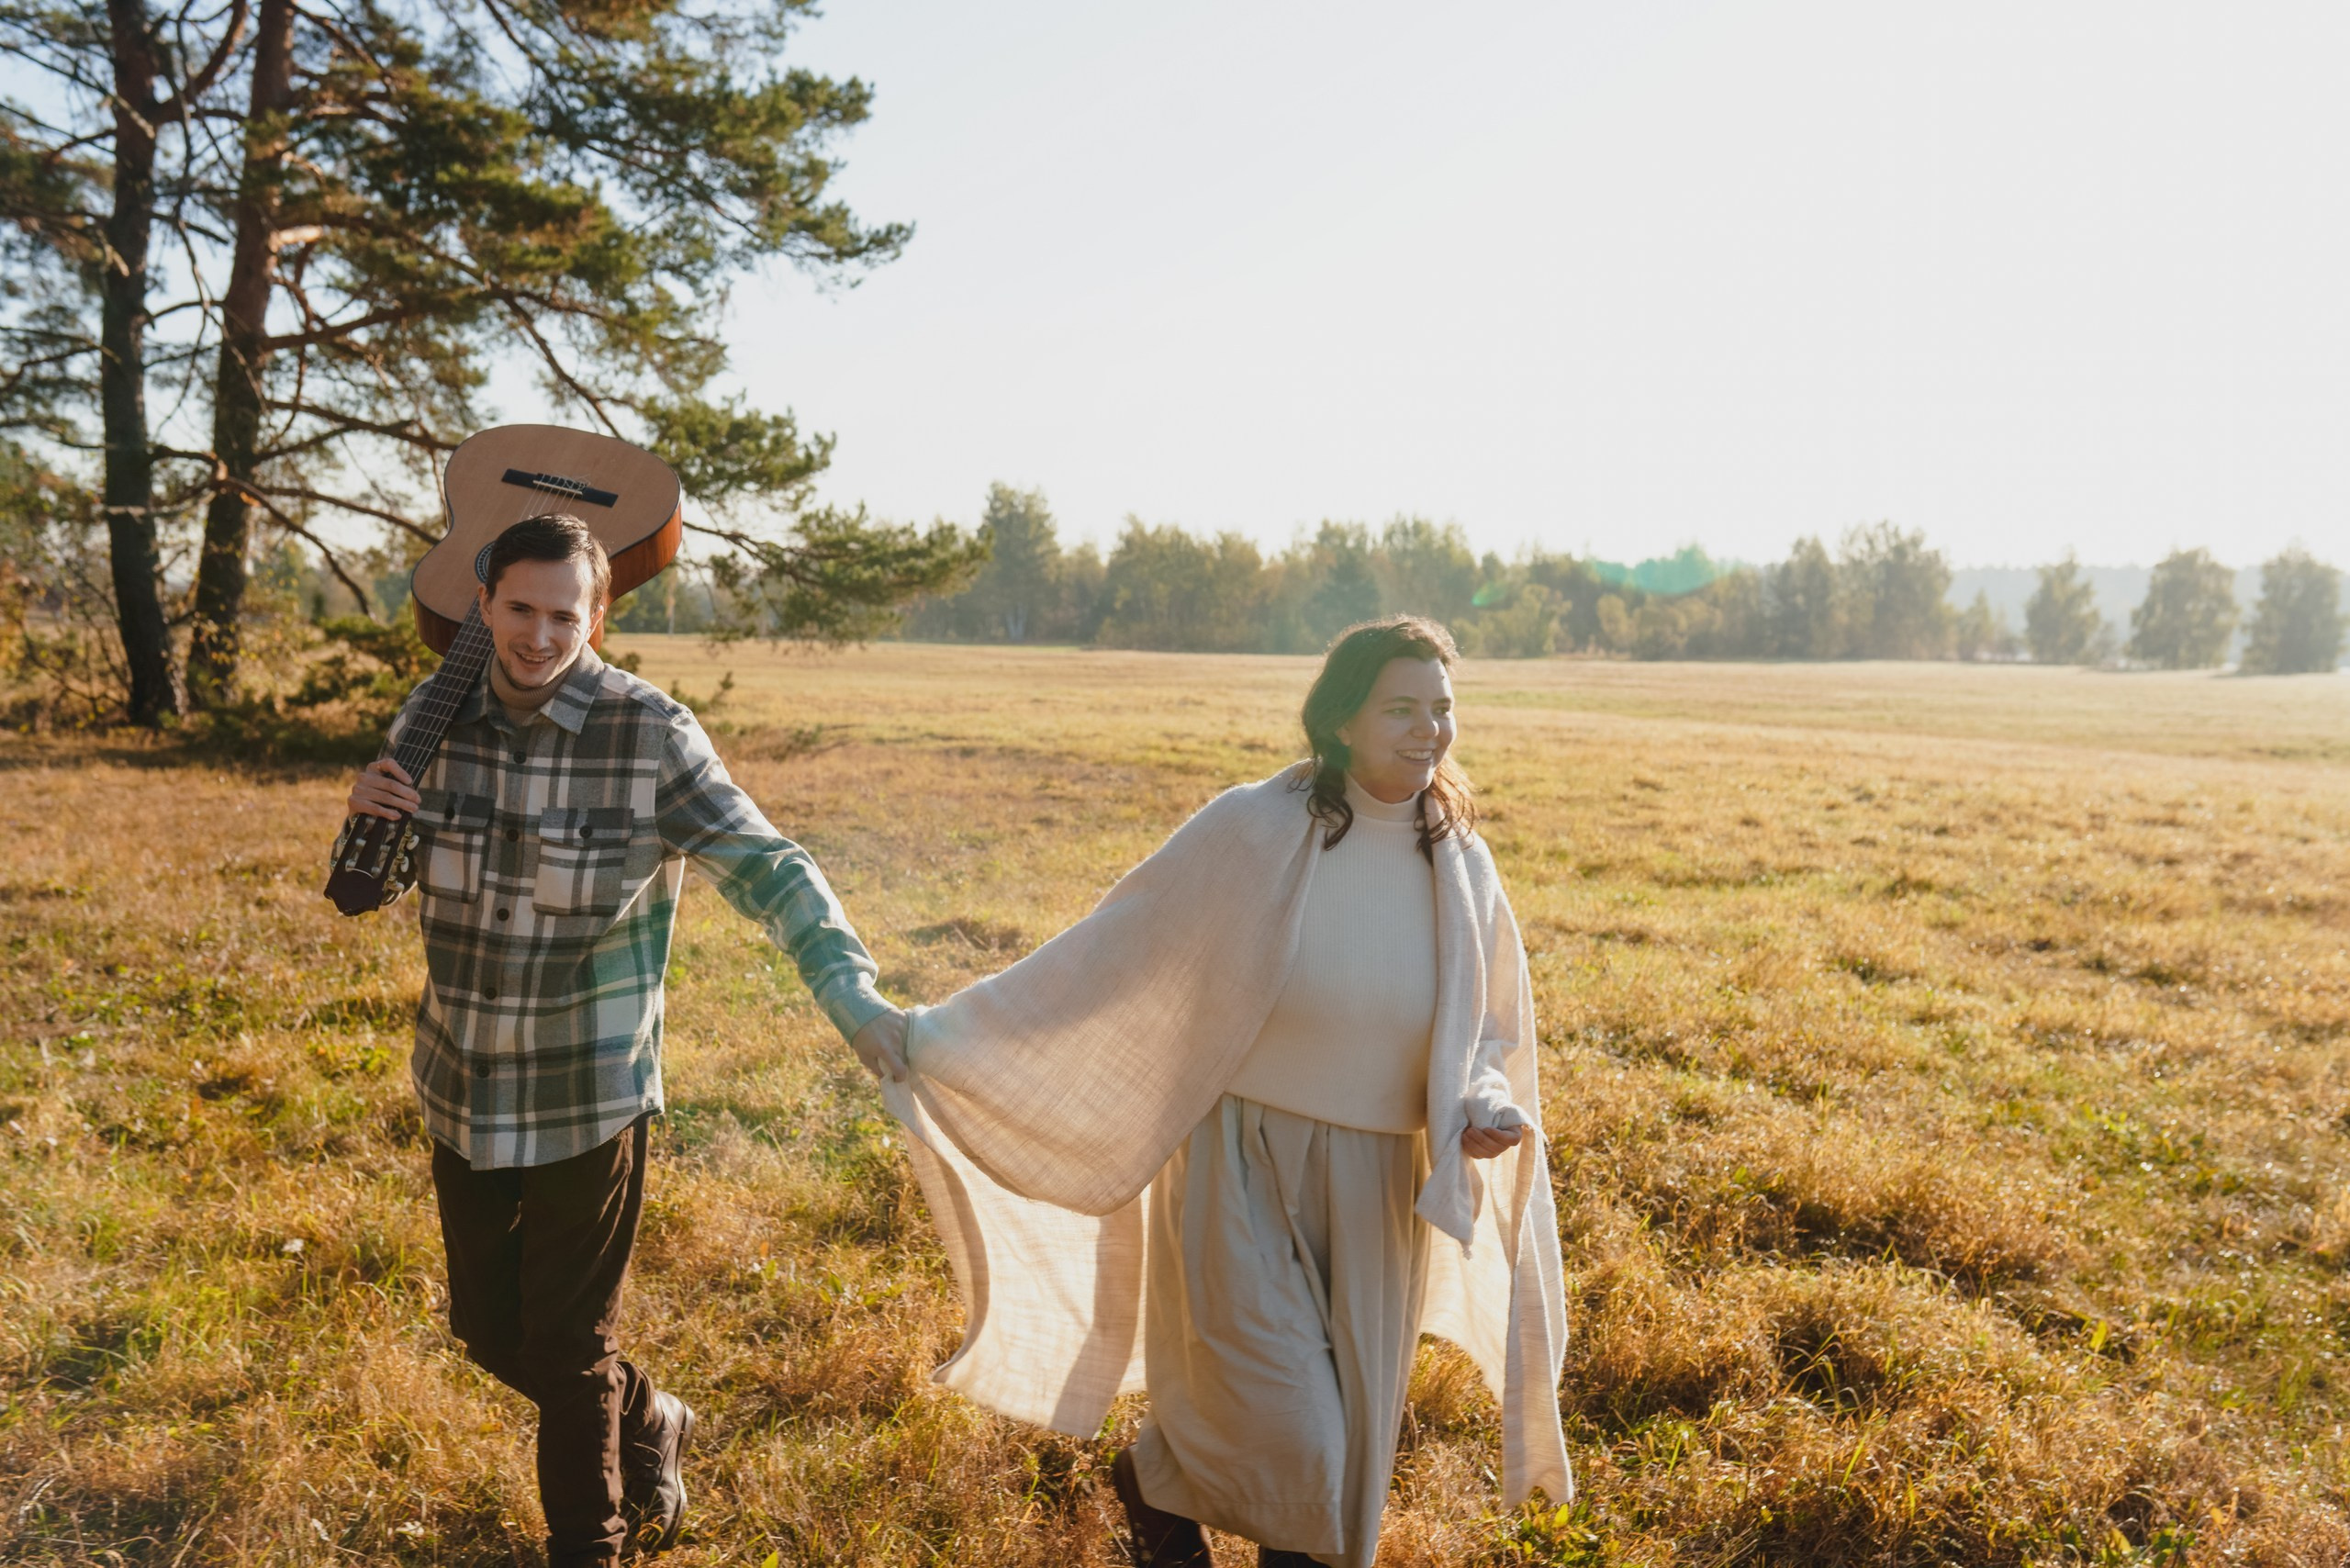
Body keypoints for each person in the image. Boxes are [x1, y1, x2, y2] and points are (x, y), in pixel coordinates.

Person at [852, 615, 1570, 1568]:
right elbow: (1111, 949)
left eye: (1441, 708)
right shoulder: (1256, 825)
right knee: (1299, 1433)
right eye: (1400, 706)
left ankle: (1177, 1499)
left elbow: (1487, 1031)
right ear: (1343, 717)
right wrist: (936, 1036)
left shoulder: (1460, 863)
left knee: (1347, 1458)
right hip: (1245, 1163)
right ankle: (1155, 1483)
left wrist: (1481, 1102)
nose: (1426, 729)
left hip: (1380, 1185)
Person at [346, 514, 904, 1564]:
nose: (541, 634)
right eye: (520, 607)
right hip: (462, 1078)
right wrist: (370, 814)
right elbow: (368, 883)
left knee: (563, 1352)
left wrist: (854, 996)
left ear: (597, 615)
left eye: (566, 614)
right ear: (484, 603)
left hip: (585, 1090)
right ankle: (650, 1416)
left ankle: (590, 1543)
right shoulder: (435, 711)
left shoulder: (650, 732)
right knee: (487, 1331)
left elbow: (772, 864)